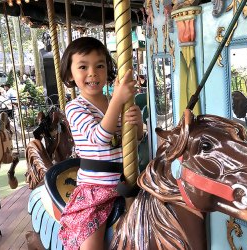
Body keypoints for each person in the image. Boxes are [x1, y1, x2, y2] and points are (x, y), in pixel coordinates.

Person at [58, 37, 143, 250]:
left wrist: (138, 124)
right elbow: (100, 138)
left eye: (100, 66)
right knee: (91, 246)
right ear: (70, 74)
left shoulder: (116, 105)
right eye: (83, 67)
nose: (93, 73)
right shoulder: (75, 108)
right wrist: (117, 100)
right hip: (95, 191)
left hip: (129, 181)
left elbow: (134, 140)